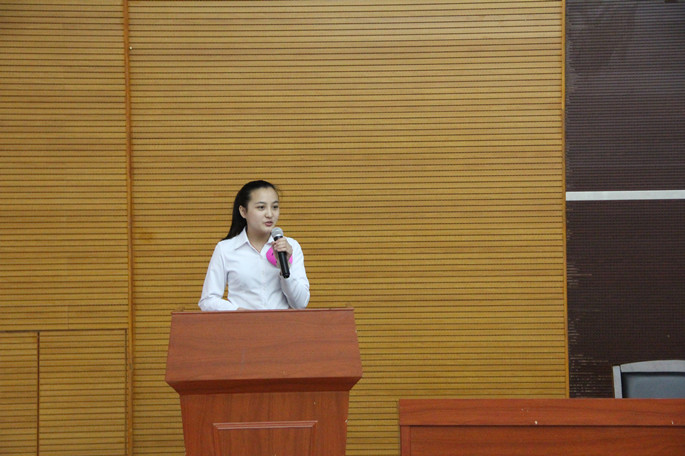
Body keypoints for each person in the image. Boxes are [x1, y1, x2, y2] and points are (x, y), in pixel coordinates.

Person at [198, 180, 310, 311]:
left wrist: (285, 268)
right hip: (241, 323)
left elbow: (300, 304)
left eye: (274, 207)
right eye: (261, 207)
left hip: (282, 323)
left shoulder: (291, 247)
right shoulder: (225, 249)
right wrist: (238, 312)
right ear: (243, 211)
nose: (270, 214)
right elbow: (208, 300)